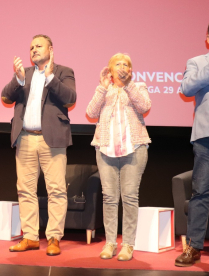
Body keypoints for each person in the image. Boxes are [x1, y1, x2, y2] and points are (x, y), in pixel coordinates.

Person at [2, 34, 76, 256]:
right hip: (25, 138)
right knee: (25, 190)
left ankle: (54, 237)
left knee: (56, 190)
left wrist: (50, 76)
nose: (33, 49)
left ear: (51, 49)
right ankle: (30, 237)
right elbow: (5, 97)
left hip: (51, 139)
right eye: (31, 47)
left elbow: (70, 98)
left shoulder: (64, 72)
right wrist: (18, 79)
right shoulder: (24, 73)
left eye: (38, 46)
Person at [86, 53, 151, 261]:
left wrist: (129, 84)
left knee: (130, 196)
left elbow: (144, 106)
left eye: (126, 65)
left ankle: (128, 245)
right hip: (105, 150)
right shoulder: (105, 90)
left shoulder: (138, 86)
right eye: (117, 64)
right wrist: (102, 87)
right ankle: (111, 243)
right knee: (109, 197)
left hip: (134, 149)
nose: (122, 67)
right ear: (110, 70)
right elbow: (90, 111)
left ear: (130, 71)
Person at [174, 17, 209, 267]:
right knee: (202, 191)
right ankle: (194, 247)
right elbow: (186, 88)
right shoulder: (197, 62)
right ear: (208, 38)